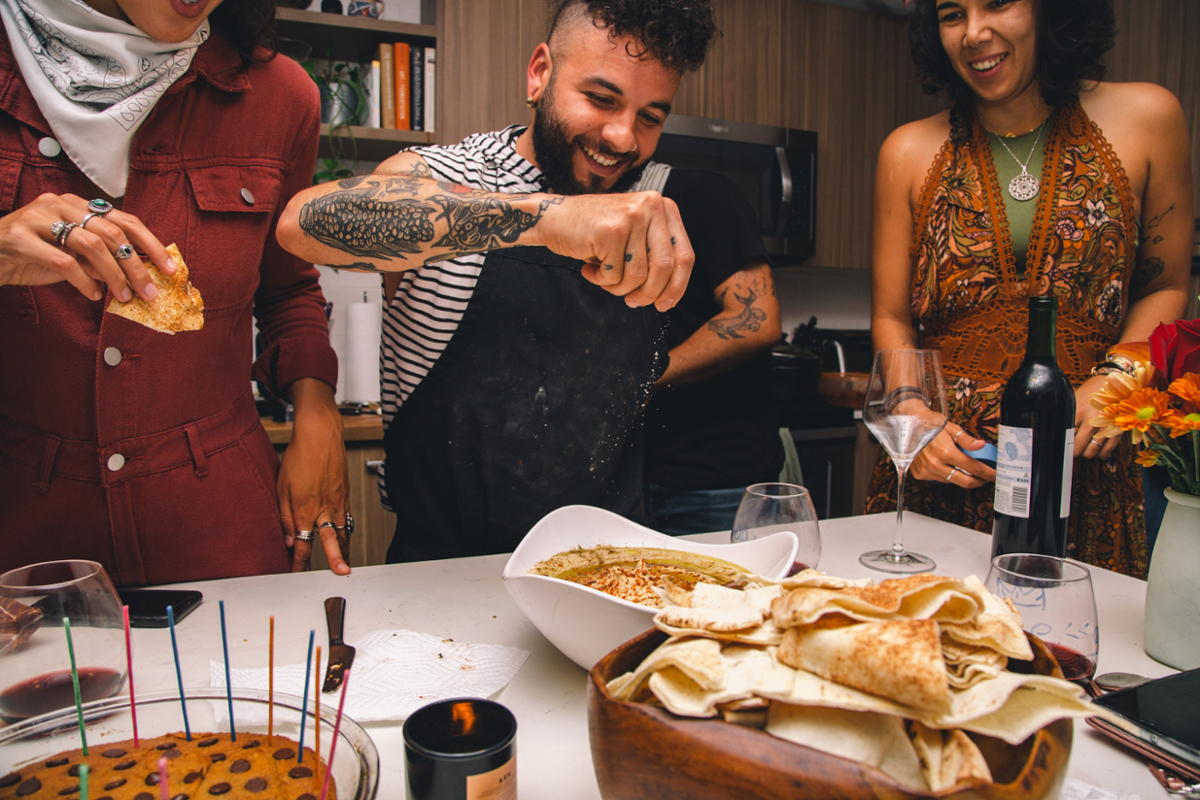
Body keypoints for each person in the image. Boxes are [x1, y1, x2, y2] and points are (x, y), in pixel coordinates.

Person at [277, 0, 717, 561]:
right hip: (444, 581)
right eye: (601, 99)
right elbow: (303, 225)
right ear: (540, 74)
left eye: (650, 117)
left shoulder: (651, 211)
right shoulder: (453, 175)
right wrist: (547, 220)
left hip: (607, 572)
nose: (622, 137)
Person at [0, 0, 352, 584]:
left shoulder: (281, 96)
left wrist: (319, 413)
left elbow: (288, 290)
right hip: (26, 532)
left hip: (219, 524)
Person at [865, 0, 1193, 577]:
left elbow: (1166, 287)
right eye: (950, 14)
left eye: (997, 3)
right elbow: (893, 317)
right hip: (950, 463)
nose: (974, 33)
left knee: (1070, 649)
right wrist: (912, 413)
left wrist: (1119, 378)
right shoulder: (906, 150)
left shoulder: (1147, 116)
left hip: (1082, 458)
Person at [640, 167, 784, 535]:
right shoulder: (590, 211)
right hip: (633, 477)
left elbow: (758, 319)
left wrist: (643, 381)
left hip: (715, 482)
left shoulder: (704, 193)